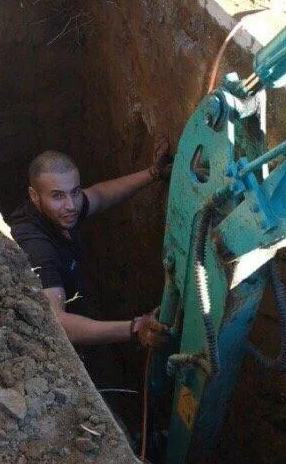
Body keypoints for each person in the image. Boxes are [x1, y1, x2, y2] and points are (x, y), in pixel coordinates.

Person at [10, 147, 172, 349]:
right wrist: (136, 328)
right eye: (58, 196)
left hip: (80, 297)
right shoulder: (35, 245)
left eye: (75, 192)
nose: (71, 205)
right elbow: (55, 322)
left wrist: (152, 173)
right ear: (34, 196)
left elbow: (100, 195)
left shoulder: (62, 211)